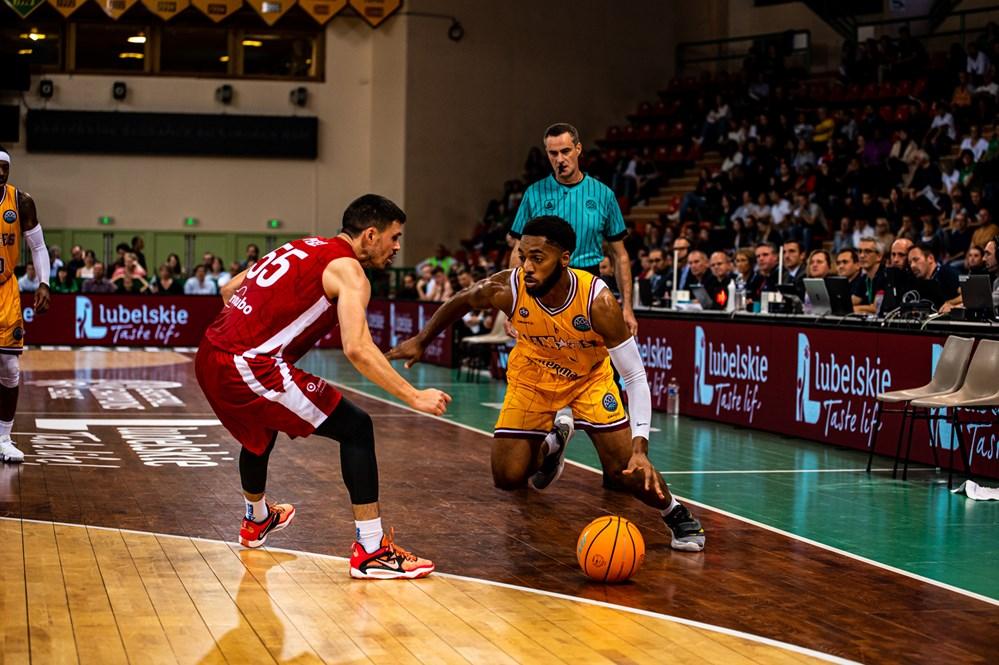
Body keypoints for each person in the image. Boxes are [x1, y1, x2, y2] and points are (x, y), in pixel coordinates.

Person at [388, 216, 705, 552]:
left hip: (588, 378)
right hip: (533, 376)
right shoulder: (509, 288)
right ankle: (550, 449)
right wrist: (422, 340)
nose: (526, 266)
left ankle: (675, 512)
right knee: (507, 477)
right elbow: (465, 298)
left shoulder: (596, 301)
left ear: (564, 258)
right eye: (524, 256)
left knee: (623, 469)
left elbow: (636, 377)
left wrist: (641, 447)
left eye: (538, 258)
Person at [196, 194, 448, 578]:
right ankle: (371, 550)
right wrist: (414, 396)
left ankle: (257, 519)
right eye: (393, 237)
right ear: (369, 235)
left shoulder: (301, 244)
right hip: (248, 365)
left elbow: (229, 290)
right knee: (357, 427)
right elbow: (358, 348)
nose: (397, 247)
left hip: (210, 353)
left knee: (262, 429)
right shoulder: (350, 272)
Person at [508, 123, 637, 335]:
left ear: (578, 149)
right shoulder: (533, 194)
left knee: (590, 360)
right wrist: (512, 309)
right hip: (543, 285)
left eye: (565, 151)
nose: (560, 159)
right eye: (553, 153)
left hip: (587, 283)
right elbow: (517, 251)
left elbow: (620, 255)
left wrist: (627, 308)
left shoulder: (604, 195)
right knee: (543, 361)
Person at [0, 149, 51, 463]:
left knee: (9, 366)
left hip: (5, 288)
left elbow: (38, 246)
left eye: (4, 168)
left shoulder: (21, 202)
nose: (0, 173)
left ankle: (4, 438)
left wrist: (44, 282)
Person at [851, 237, 887, 314]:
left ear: (879, 256)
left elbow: (876, 308)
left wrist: (851, 309)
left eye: (867, 251)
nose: (862, 256)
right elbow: (854, 300)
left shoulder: (885, 276)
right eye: (859, 251)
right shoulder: (864, 277)